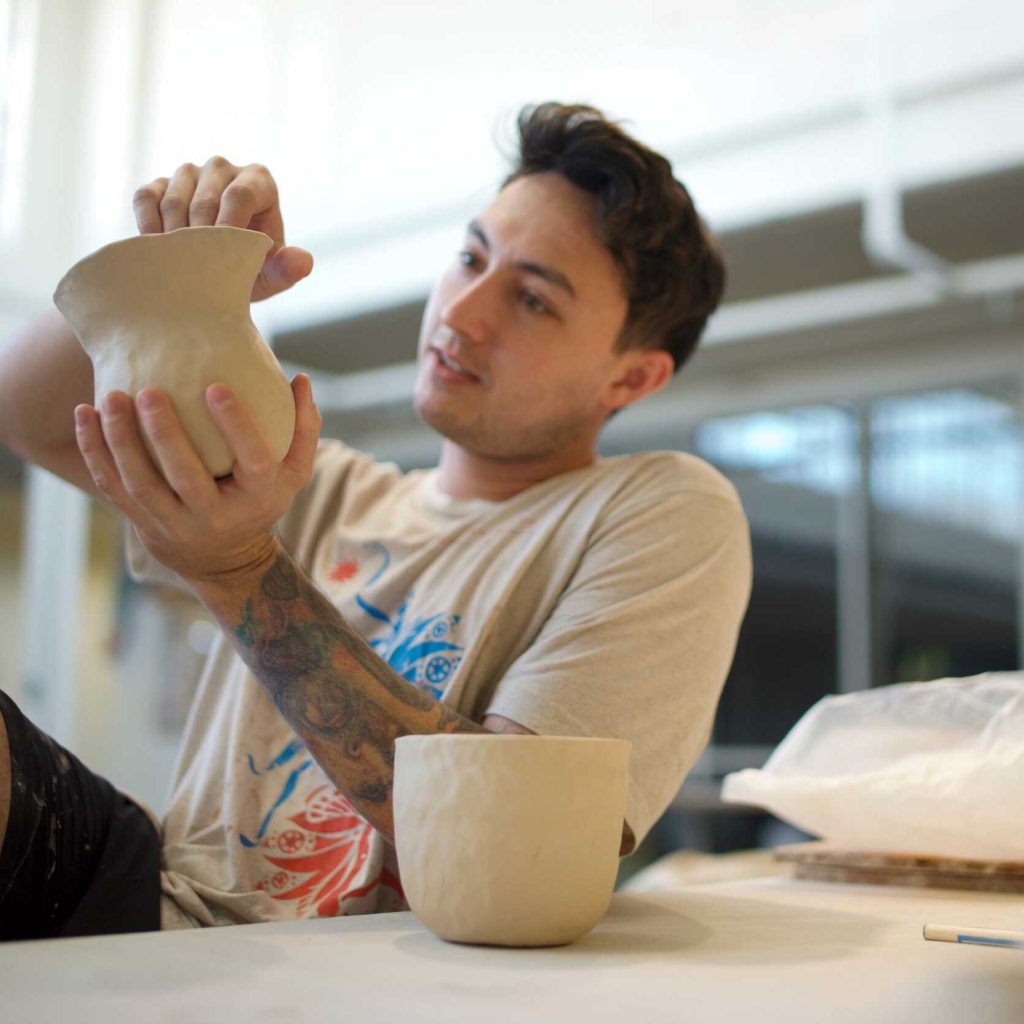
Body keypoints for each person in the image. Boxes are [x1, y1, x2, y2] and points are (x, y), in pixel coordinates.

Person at [0, 103, 752, 938]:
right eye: (471, 257)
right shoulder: (307, 480)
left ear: (632, 379)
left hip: (361, 970)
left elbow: (516, 847)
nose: (463, 314)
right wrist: (169, 274)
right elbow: (20, 405)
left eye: (534, 300)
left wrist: (239, 571)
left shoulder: (657, 511)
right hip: (156, 898)